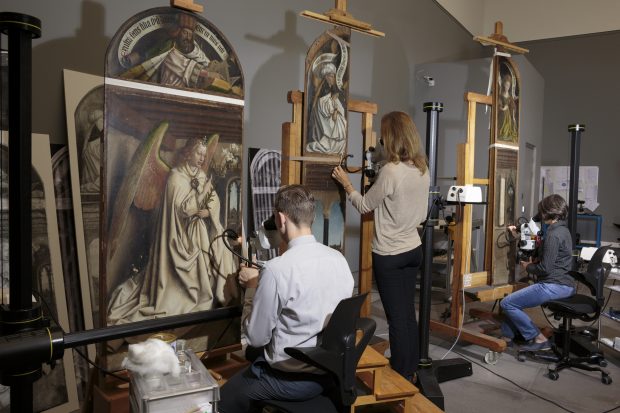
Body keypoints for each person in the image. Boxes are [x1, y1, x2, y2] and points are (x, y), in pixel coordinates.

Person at [219, 184, 354, 413]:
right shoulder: (339, 259)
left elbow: (256, 337)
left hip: (291, 380)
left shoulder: (276, 271)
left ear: (281, 219)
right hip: (331, 372)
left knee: (223, 398)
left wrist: (253, 288)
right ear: (310, 217)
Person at [331, 111, 429, 383]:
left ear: (392, 136)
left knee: (396, 319)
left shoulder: (390, 171)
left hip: (390, 254)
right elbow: (417, 213)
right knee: (408, 314)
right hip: (413, 250)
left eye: (384, 136)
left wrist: (347, 184)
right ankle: (409, 369)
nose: (381, 141)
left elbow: (364, 206)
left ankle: (399, 376)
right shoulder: (421, 168)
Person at [107, 137, 238, 324]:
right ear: (188, 153)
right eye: (198, 153)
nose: (202, 158)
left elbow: (214, 200)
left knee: (215, 252)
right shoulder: (176, 177)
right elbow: (183, 210)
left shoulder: (201, 176)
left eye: (204, 154)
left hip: (197, 231)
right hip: (176, 237)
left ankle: (206, 295)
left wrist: (208, 211)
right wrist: (202, 193)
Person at [501, 194, 575, 351]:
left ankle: (538, 338)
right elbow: (552, 257)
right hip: (564, 284)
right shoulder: (563, 230)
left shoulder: (553, 235)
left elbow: (545, 269)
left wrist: (528, 266)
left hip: (553, 285)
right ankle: (507, 337)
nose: (540, 215)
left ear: (547, 212)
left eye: (542, 211)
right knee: (511, 298)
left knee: (507, 303)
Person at [120, 13, 232, 93]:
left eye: (190, 34)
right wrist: (208, 74)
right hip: (170, 95)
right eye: (184, 33)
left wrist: (215, 70)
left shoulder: (191, 49)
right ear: (177, 33)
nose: (187, 37)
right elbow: (189, 68)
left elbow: (204, 61)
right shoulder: (169, 52)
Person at [306, 57, 347, 155]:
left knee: (341, 143)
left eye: (334, 75)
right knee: (328, 146)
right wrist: (334, 109)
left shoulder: (334, 95)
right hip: (327, 132)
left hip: (335, 132)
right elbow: (326, 116)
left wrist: (336, 108)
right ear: (326, 77)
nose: (333, 78)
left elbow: (340, 112)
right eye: (331, 76)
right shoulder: (322, 98)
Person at [498, 72, 518, 142]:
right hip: (502, 114)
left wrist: (513, 114)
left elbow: (513, 107)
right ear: (504, 85)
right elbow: (499, 105)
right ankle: (502, 135)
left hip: (508, 116)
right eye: (506, 85)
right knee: (502, 124)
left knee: (508, 125)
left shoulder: (510, 97)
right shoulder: (500, 95)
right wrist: (503, 108)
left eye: (508, 85)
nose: (507, 87)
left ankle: (506, 136)